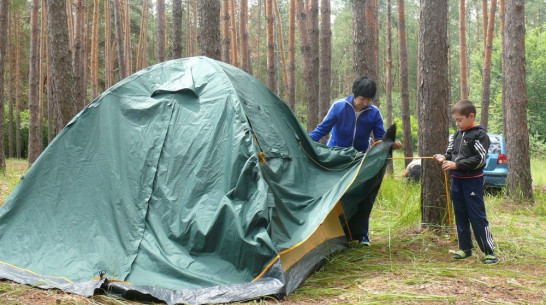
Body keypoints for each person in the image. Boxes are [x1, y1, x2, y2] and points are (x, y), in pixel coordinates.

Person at [309, 76, 401, 246]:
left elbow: (380, 139)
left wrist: (390, 145)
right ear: (354, 94)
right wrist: (305, 142)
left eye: (369, 100)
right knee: (335, 197)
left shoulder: (374, 113)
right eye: (362, 99)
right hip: (336, 158)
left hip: (360, 160)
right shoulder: (339, 107)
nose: (365, 103)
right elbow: (322, 129)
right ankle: (330, 235)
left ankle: (362, 236)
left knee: (362, 195)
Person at [433, 99, 498, 264]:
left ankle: (489, 251)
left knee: (476, 215)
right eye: (455, 120)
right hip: (456, 181)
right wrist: (444, 158)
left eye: (460, 120)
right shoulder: (456, 135)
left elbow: (480, 159)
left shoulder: (479, 135)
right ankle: (465, 249)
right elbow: (451, 154)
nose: (457, 124)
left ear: (471, 116)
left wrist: (457, 164)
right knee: (460, 214)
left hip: (472, 182)